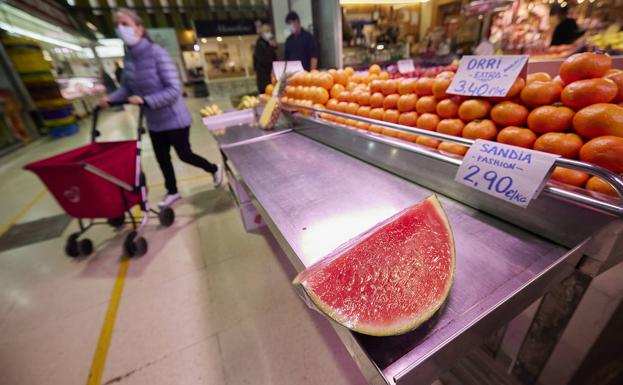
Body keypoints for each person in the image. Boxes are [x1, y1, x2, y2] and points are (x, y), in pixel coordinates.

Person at [100, 8, 222, 208]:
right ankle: (172, 191)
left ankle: (213, 168)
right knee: (162, 159)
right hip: (155, 121)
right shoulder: (129, 58)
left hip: (174, 118)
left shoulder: (158, 53)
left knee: (184, 154)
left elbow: (174, 88)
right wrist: (110, 99)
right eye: (117, 25)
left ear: (139, 29)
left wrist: (146, 100)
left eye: (125, 24)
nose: (120, 29)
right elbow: (126, 88)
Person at [253, 23, 277, 94]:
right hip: (264, 81)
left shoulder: (268, 44)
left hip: (271, 79)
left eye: (270, 31)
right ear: (262, 33)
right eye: (266, 31)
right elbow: (264, 60)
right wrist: (271, 47)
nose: (269, 33)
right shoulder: (260, 44)